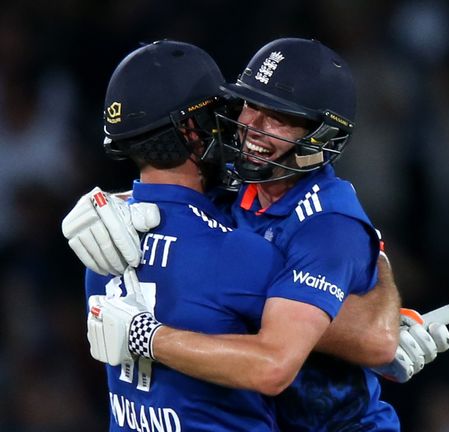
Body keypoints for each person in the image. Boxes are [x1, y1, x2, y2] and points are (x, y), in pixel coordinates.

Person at [64, 37, 449, 431]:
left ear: (320, 135)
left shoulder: (328, 228)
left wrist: (374, 255)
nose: (249, 126)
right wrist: (108, 201)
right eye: (248, 104)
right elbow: (373, 335)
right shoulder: (226, 197)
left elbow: (375, 339)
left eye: (278, 115)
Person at [76, 40, 289, 431]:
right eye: (218, 116)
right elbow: (324, 336)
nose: (232, 130)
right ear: (192, 129)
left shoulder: (98, 244)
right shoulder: (240, 253)